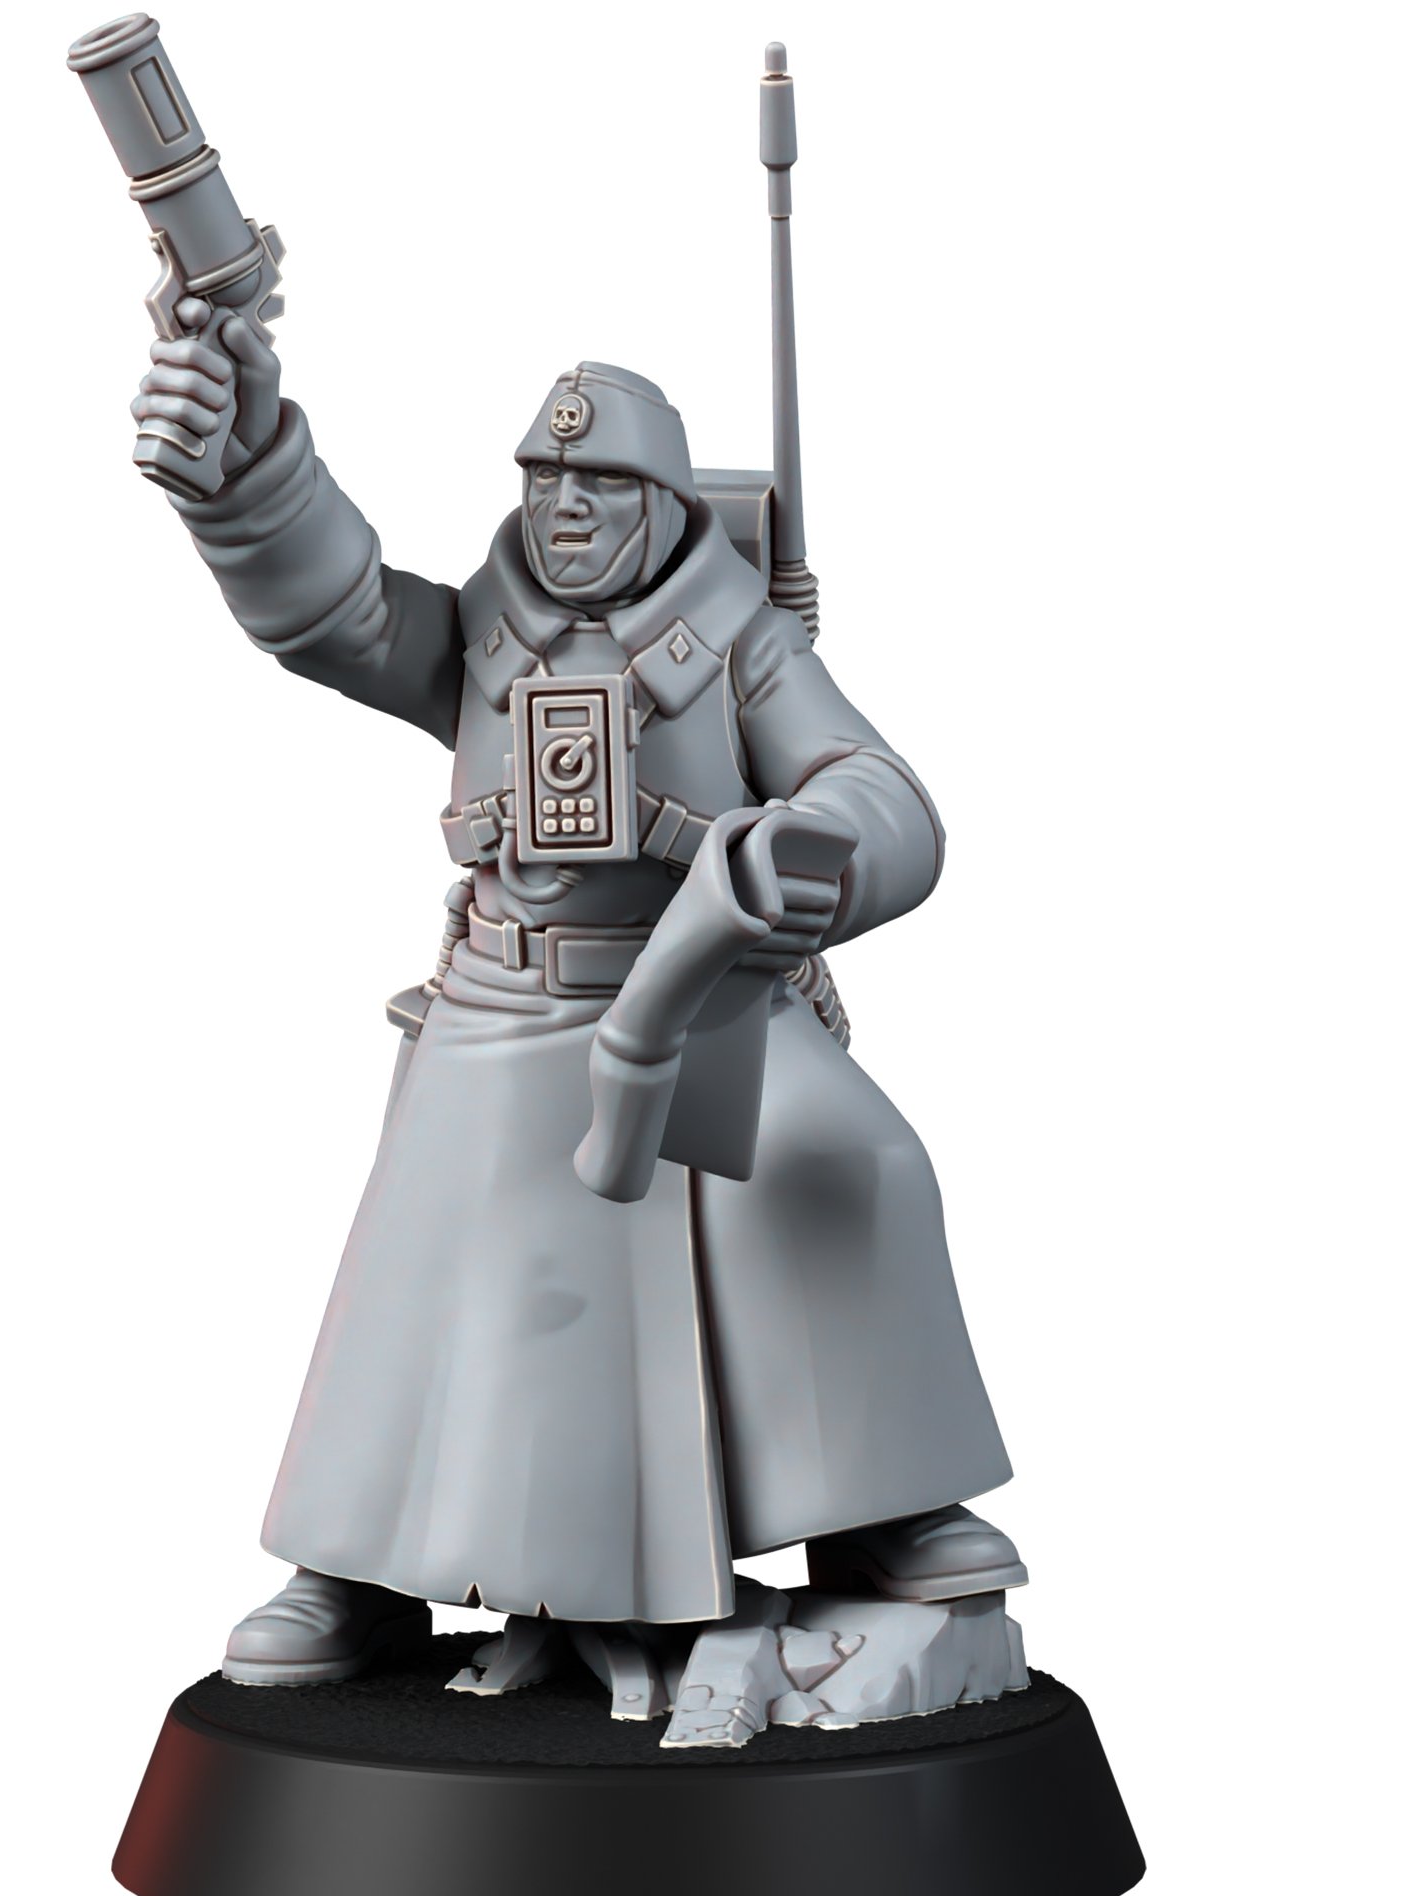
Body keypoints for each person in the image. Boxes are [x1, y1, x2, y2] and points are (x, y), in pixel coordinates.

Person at [133, 310, 1023, 1682]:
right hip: (501, 1004)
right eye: (546, 480)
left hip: (705, 996)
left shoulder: (738, 642)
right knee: (426, 1266)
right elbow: (330, 608)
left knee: (855, 1167)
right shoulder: (481, 631)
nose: (565, 508)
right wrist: (245, 472)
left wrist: (814, 858)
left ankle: (880, 1506)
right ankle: (359, 1569)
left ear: (661, 502)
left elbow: (879, 787)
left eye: (599, 484)